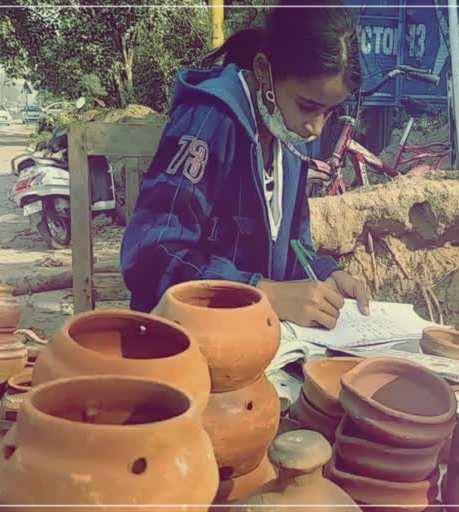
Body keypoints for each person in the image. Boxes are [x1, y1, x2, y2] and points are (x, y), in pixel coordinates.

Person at [120, 0, 369, 329]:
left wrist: (326, 274)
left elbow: (296, 243)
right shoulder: (210, 120)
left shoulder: (288, 138)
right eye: (308, 105)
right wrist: (262, 293)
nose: (317, 127)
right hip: (181, 339)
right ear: (264, 70)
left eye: (330, 111)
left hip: (256, 337)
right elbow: (152, 254)